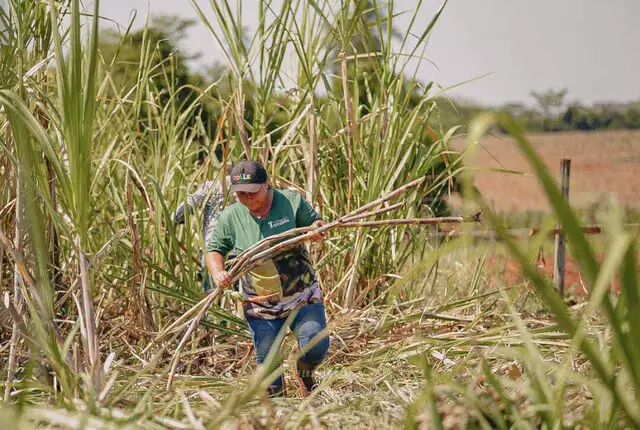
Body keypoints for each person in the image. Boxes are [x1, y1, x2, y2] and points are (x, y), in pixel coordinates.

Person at [205, 160, 329, 397]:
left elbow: (315, 222)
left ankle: (304, 374)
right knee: (269, 367)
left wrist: (316, 229)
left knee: (316, 346)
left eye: (252, 193)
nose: (247, 199)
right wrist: (218, 272)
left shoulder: (290, 202)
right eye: (241, 194)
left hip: (302, 294)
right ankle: (280, 414)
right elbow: (214, 250)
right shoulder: (230, 217)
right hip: (261, 302)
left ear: (267, 184)